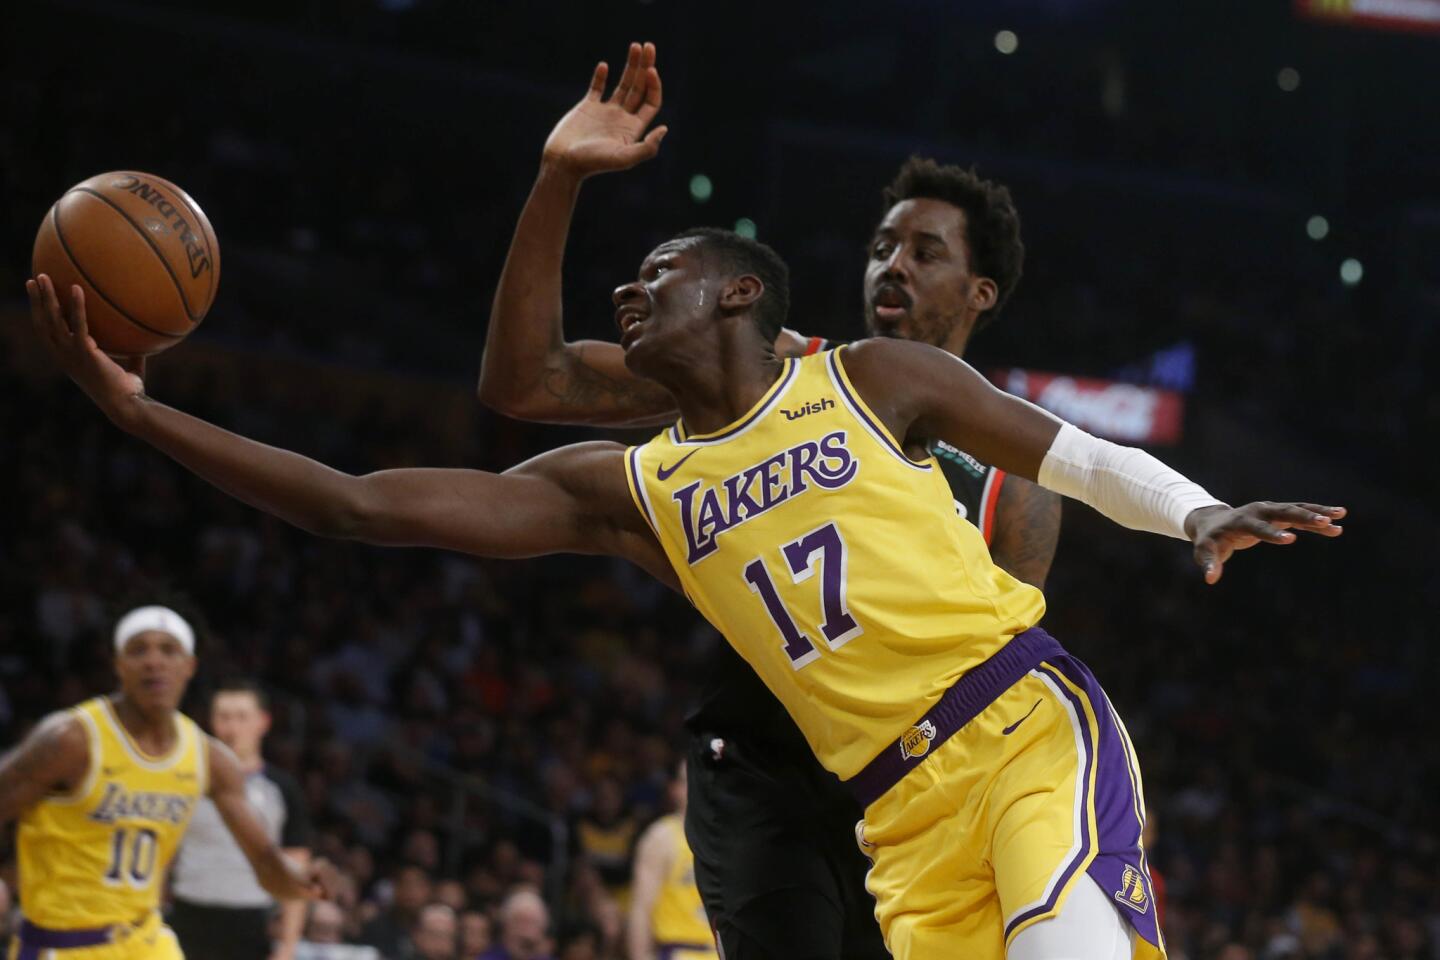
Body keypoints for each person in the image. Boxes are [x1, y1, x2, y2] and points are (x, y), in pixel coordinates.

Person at [26, 44, 1346, 960]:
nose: (623, 293)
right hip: (890, 808)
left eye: (651, 271)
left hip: (1018, 734)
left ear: (733, 295)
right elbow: (363, 502)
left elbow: (1072, 453)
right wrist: (139, 414)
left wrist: (1197, 513)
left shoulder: (875, 378)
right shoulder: (633, 489)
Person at [479, 41, 1058, 960]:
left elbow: (1003, 678)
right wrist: (559, 181)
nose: (891, 267)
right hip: (762, 765)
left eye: (923, 251)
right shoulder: (775, 368)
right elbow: (531, 383)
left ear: (979, 291)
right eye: (880, 247)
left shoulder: (1013, 485)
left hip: (902, 793)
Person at [0, 604, 328, 960]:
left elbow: (266, 865)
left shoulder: (209, 758)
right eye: (138, 649)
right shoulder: (70, 740)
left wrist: (300, 881)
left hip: (146, 941)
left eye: (168, 650)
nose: (154, 661)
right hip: (62, 945)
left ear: (189, 666)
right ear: (118, 665)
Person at [170, 678, 314, 960]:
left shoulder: (282, 789)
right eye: (223, 717)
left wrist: (287, 946)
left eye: (242, 717)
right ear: (211, 722)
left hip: (251, 923)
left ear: (263, 722)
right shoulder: (184, 781)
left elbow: (297, 870)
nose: (232, 727)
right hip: (188, 915)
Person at [626, 761, 716, 960]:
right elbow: (641, 907)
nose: (695, 788)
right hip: (681, 952)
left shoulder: (728, 836)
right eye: (687, 781)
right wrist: (640, 955)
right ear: (674, 789)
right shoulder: (661, 836)